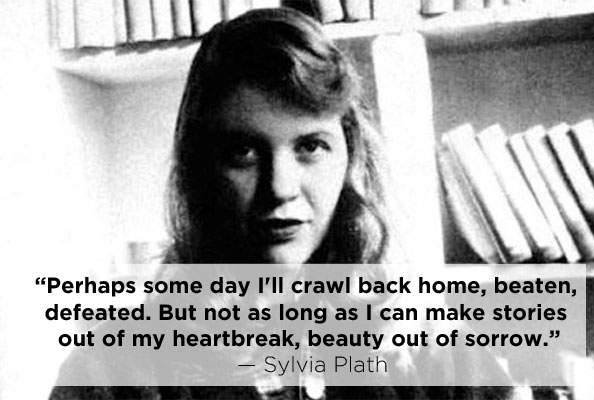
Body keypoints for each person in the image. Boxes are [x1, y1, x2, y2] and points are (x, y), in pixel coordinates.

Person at [50, 7, 511, 399]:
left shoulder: (436, 353)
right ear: (198, 167)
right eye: (242, 152)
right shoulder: (110, 374)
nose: (280, 187)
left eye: (310, 147)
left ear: (349, 157)